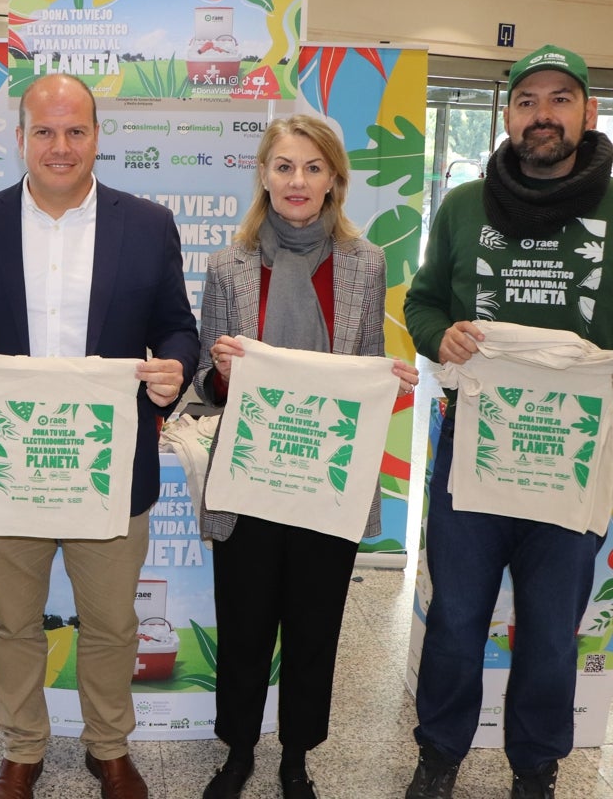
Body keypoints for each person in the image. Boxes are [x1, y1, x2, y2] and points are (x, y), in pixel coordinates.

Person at [0, 73, 199, 799]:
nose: (61, 146)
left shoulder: (148, 224)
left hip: (110, 467)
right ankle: (23, 747)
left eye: (76, 131)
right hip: (11, 468)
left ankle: (109, 746)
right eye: (44, 131)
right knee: (14, 624)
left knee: (111, 623)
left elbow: (176, 324)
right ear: (20, 140)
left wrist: (175, 365)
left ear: (99, 137)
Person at [403, 44, 613, 799]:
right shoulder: (462, 205)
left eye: (561, 99)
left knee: (553, 627)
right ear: (507, 115)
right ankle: (439, 756)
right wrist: (441, 336)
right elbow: (422, 301)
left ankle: (535, 767)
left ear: (587, 113)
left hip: (577, 455)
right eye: (527, 101)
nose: (543, 115)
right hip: (475, 448)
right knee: (456, 615)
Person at [193, 115, 418, 799]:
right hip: (250, 478)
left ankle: (296, 756)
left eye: (313, 168)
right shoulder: (228, 266)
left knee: (315, 626)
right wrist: (225, 370)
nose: (298, 181)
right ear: (263, 175)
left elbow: (357, 371)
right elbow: (206, 384)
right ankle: (237, 750)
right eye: (285, 166)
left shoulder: (366, 263)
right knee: (245, 622)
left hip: (328, 482)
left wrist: (388, 378)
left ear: (334, 181)